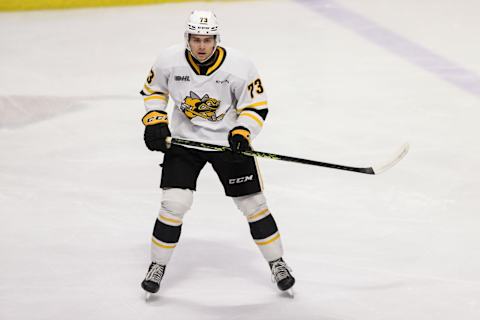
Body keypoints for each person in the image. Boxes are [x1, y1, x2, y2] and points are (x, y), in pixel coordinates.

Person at [140, 10, 295, 296]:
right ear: (187, 38)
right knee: (174, 204)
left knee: (254, 204)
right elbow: (154, 91)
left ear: (216, 39)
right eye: (196, 39)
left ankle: (277, 263)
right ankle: (157, 265)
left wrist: (242, 132)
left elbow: (255, 105)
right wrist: (155, 120)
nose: (201, 46)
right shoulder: (168, 60)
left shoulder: (239, 66)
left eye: (207, 40)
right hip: (185, 143)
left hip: (227, 145)